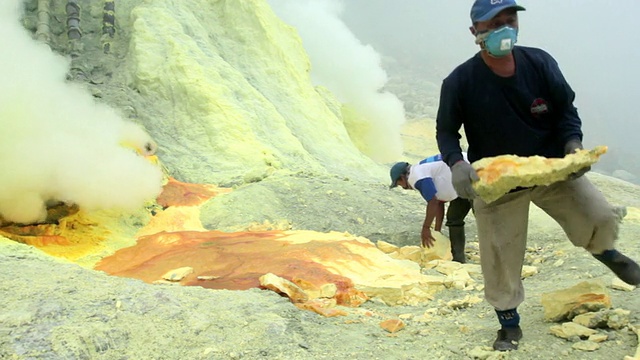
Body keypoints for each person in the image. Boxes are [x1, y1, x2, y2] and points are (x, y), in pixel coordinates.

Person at [435, 0, 640, 352]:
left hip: (551, 168)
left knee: (598, 215)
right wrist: (457, 164)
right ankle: (509, 324)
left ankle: (610, 256)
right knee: (500, 254)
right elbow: (446, 132)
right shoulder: (460, 81)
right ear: (475, 32)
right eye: (493, 23)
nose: (504, 28)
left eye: (509, 19)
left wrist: (573, 145)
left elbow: (565, 112)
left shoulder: (539, 62)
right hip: (498, 180)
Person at [389, 154, 472, 263]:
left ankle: (463, 259)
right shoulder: (420, 170)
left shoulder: (417, 177)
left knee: (480, 217)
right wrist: (437, 232)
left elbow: (433, 201)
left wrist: (426, 228)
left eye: (399, 184)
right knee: (454, 218)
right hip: (464, 174)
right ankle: (458, 259)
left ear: (402, 177)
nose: (403, 188)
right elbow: (438, 202)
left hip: (472, 175)